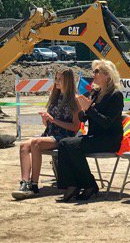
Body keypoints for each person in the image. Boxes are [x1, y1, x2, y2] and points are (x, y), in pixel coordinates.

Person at [54, 59, 124, 202]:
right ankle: (71, 185)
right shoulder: (95, 92)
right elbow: (84, 119)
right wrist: (82, 110)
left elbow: (106, 123)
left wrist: (89, 109)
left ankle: (89, 185)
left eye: (97, 71)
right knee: (63, 143)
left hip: (108, 139)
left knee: (73, 146)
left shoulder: (115, 95)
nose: (94, 74)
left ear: (107, 75)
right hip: (94, 137)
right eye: (94, 71)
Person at [11, 69, 81, 200]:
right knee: (23, 146)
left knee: (36, 143)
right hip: (51, 133)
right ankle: (25, 182)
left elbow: (75, 127)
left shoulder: (75, 100)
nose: (57, 82)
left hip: (65, 136)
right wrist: (46, 121)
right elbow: (50, 125)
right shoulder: (54, 97)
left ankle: (34, 185)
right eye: (56, 79)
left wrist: (54, 120)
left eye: (60, 79)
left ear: (68, 81)